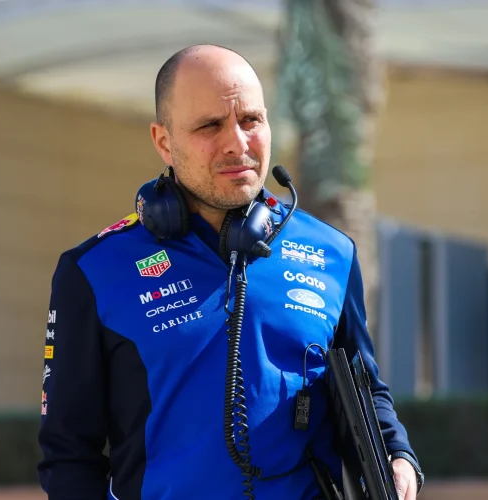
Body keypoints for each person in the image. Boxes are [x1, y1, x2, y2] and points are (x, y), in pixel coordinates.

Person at [37, 44, 423, 500]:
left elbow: (364, 388)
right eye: (209, 125)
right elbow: (68, 455)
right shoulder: (93, 271)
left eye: (251, 120)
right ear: (164, 142)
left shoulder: (333, 252)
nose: (238, 144)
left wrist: (398, 456)